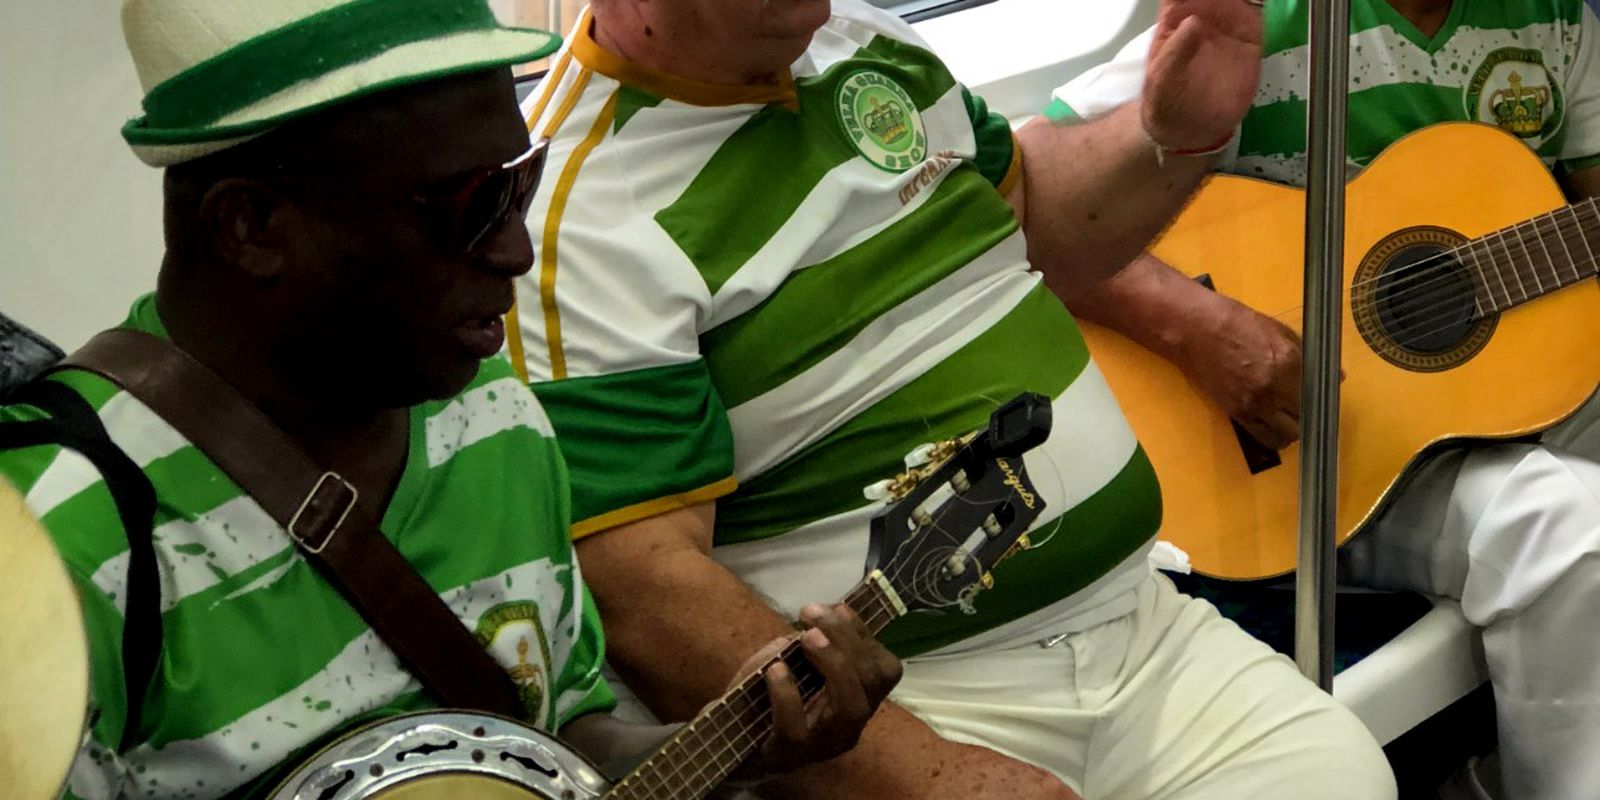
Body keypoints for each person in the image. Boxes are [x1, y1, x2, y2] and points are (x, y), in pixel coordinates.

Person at [0, 2, 901, 798]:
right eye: (469, 205)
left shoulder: (490, 414)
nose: (516, 250)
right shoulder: (57, 551)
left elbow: (554, 740)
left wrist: (738, 745)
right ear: (252, 226)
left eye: (523, 183)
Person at [505, 0, 1397, 797]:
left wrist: (1166, 136)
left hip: (1145, 629)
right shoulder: (569, 216)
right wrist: (928, 773)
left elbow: (1034, 229)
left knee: (1350, 775)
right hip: (919, 700)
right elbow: (643, 597)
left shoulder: (873, 44)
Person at [1049, 1, 1600, 797]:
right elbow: (1026, 208)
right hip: (1306, 452)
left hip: (1497, 388)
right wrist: (1197, 327)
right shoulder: (1260, 20)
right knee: (1565, 527)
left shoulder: (1558, 21)